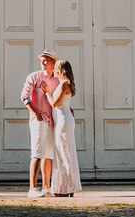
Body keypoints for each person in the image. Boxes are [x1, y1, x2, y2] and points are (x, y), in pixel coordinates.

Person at [20, 49, 57, 198]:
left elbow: (58, 98)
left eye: (46, 60)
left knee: (48, 155)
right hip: (39, 121)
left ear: (53, 62)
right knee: (37, 154)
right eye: (42, 60)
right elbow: (24, 96)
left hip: (52, 122)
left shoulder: (58, 79)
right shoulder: (34, 77)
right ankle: (32, 188)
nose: (43, 62)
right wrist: (36, 114)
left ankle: (46, 187)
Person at [47, 58, 81, 196]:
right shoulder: (66, 84)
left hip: (63, 121)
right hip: (66, 118)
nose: (54, 70)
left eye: (56, 68)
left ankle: (66, 188)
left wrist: (46, 92)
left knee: (63, 154)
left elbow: (54, 103)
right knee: (66, 153)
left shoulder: (63, 84)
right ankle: (67, 187)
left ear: (61, 70)